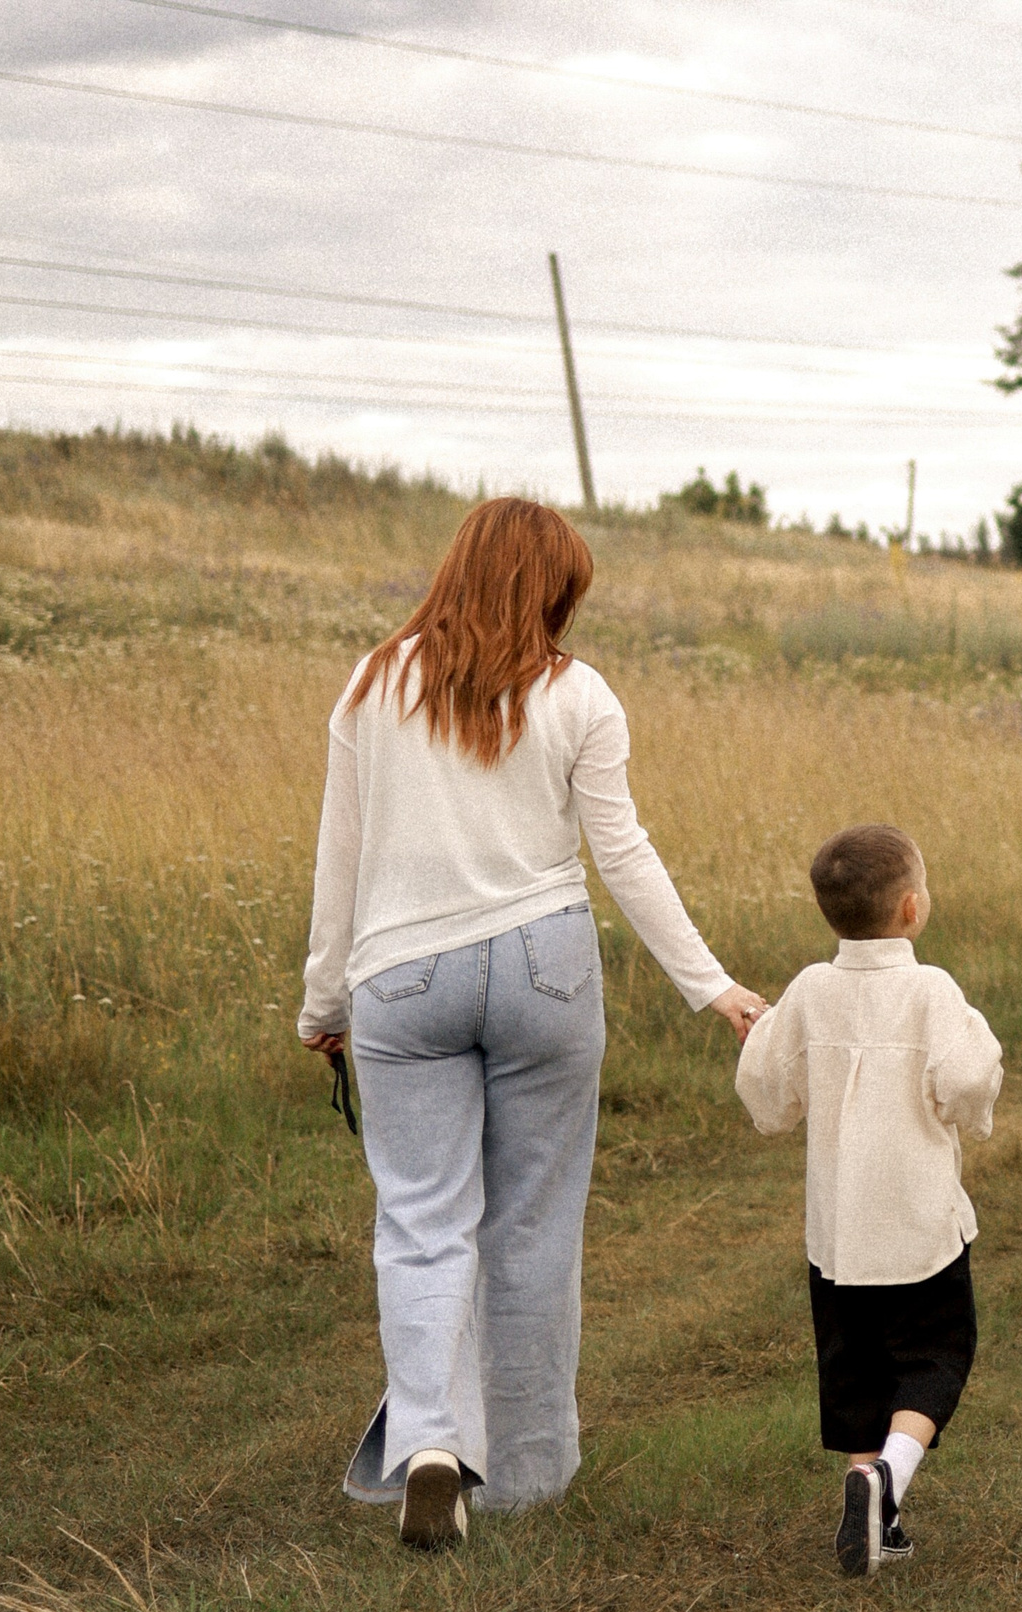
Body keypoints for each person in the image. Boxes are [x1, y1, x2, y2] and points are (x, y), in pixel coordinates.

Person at [296, 497, 765, 1550]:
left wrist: (323, 1001)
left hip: (402, 977)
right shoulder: (580, 694)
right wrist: (711, 985)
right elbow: (624, 853)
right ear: (547, 588)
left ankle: (428, 1443)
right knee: (533, 1227)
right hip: (545, 970)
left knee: (421, 1221)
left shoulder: (374, 684)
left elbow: (343, 855)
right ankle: (528, 1474)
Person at [734, 823, 1002, 1578]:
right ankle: (890, 1478)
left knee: (856, 1375)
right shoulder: (931, 990)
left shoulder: (812, 991)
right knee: (936, 1358)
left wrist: (760, 1040)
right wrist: (964, 1114)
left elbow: (767, 1092)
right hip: (919, 1233)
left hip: (839, 1241)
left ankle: (870, 1497)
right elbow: (972, 1078)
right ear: (912, 907)